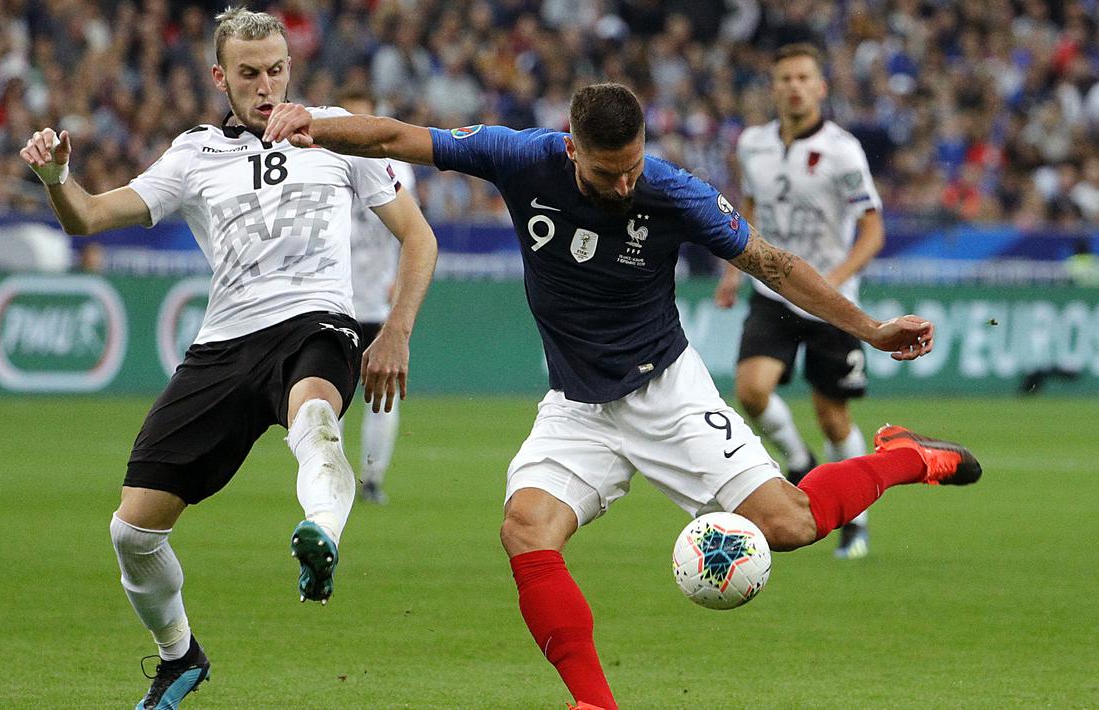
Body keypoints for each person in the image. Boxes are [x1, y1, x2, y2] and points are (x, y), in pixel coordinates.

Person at [263, 83, 981, 710]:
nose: (622, 186)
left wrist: (870, 328)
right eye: (607, 173)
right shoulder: (520, 156)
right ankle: (593, 701)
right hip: (576, 404)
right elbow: (394, 137)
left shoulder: (673, 191)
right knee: (524, 528)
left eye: (632, 167)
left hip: (664, 389)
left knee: (791, 526)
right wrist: (311, 125)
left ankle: (905, 457)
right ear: (571, 148)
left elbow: (774, 264)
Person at [18, 8, 437, 710]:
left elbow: (417, 237)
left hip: (318, 322)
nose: (266, 84)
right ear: (220, 77)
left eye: (276, 69)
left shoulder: (336, 134)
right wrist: (58, 178)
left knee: (316, 420)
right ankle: (179, 657)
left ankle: (321, 540)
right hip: (224, 344)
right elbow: (88, 217)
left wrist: (394, 329)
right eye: (249, 74)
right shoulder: (192, 154)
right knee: (132, 532)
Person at [714, 43, 886, 560]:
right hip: (773, 291)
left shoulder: (843, 150)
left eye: (803, 77)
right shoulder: (752, 144)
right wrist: (730, 272)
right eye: (784, 77)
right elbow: (745, 210)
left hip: (833, 303)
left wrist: (831, 283)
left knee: (833, 416)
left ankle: (855, 522)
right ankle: (797, 461)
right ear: (773, 87)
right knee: (751, 390)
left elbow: (873, 230)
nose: (793, 85)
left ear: (820, 87)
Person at [338, 88, 419, 505]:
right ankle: (329, 481)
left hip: (378, 299)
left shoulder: (397, 169)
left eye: (365, 118)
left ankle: (371, 478)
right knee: (325, 392)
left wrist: (400, 286)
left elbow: (412, 233)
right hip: (331, 298)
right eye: (350, 117)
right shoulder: (322, 161)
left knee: (380, 392)